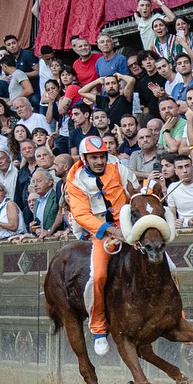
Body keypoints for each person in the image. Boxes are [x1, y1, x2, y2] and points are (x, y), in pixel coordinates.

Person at [64, 135, 139, 355]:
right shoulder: (75, 179)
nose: (99, 161)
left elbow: (134, 191)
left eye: (102, 156)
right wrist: (111, 230)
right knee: (98, 276)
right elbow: (81, 214)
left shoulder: (118, 167)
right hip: (103, 234)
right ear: (84, 158)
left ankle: (178, 314)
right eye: (94, 157)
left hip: (130, 227)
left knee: (166, 264)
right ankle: (98, 329)